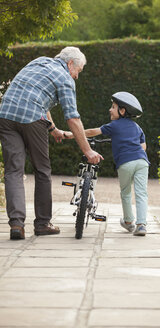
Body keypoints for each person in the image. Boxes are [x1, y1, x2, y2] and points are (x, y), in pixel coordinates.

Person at [0, 46, 103, 240]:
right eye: (78, 71)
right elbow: (72, 118)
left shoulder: (38, 61)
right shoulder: (64, 78)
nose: (76, 77)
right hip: (31, 119)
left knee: (13, 170)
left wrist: (53, 129)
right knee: (42, 170)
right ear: (70, 63)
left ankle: (16, 224)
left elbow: (37, 97)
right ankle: (42, 224)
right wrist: (88, 151)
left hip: (5, 116)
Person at [83, 91, 150, 236]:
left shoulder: (114, 125)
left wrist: (73, 133)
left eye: (113, 107)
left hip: (125, 163)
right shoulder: (137, 127)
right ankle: (141, 225)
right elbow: (143, 147)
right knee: (141, 193)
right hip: (142, 161)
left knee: (125, 192)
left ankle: (128, 221)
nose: (109, 109)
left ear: (122, 110)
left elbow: (93, 131)